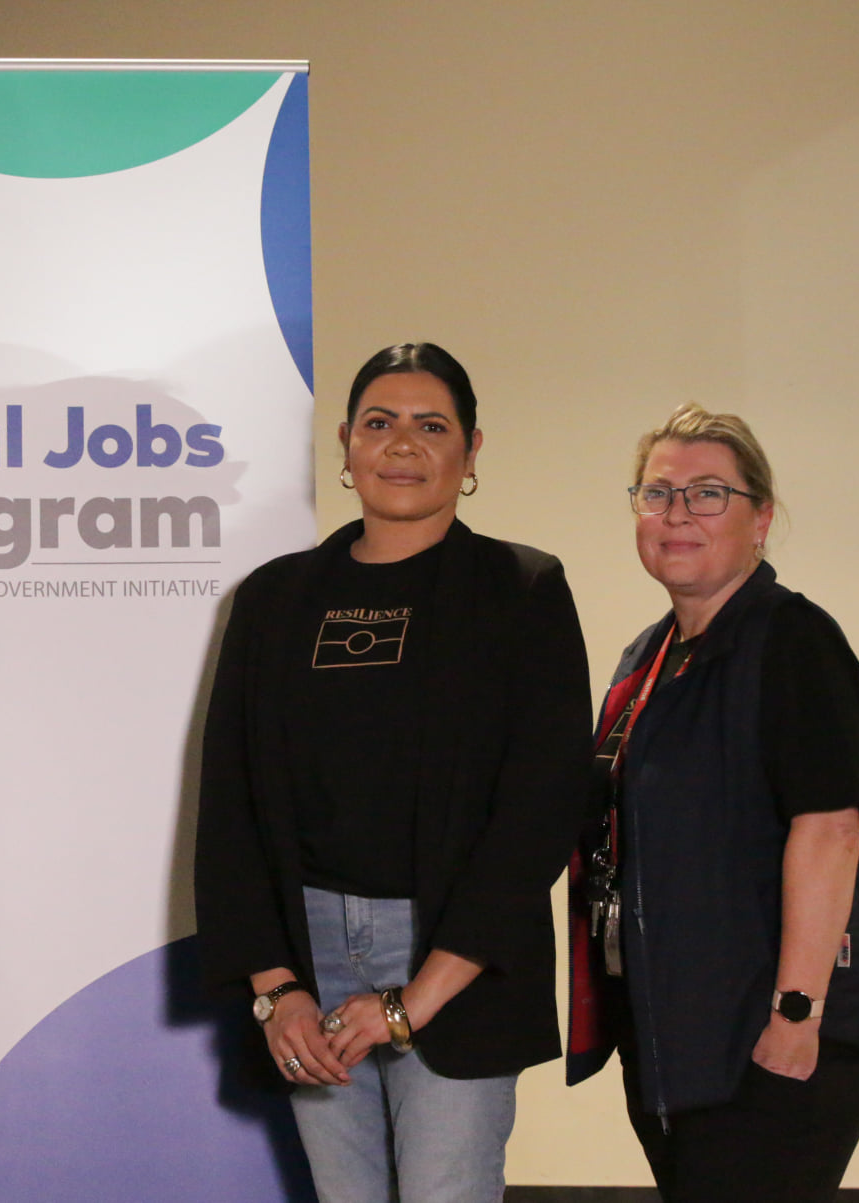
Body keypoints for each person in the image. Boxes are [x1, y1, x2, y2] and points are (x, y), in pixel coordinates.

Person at [194, 343, 592, 1203]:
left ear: (471, 451)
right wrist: (278, 991)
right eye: (379, 423)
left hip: (459, 964)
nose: (401, 443)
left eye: (431, 425)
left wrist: (415, 998)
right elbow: (230, 809)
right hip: (307, 961)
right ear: (344, 444)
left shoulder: (522, 589)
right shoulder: (271, 601)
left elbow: (540, 811)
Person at [567, 404, 859, 1202]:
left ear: (763, 518)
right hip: (677, 1035)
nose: (677, 514)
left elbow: (829, 832)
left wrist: (795, 1013)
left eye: (708, 493)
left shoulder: (792, 640)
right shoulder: (647, 657)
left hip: (769, 1034)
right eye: (657, 493)